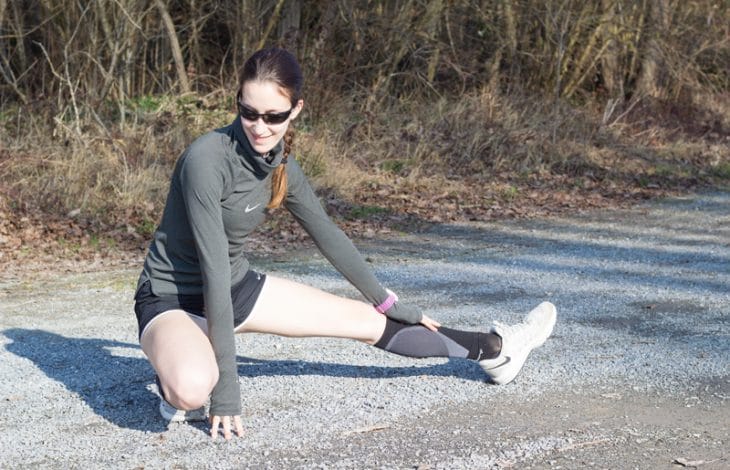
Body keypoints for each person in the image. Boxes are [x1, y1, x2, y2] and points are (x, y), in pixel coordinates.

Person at [133, 47, 557, 440]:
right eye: (249, 112)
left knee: (368, 323)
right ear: (237, 104)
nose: (260, 127)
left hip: (235, 290)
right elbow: (212, 270)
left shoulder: (282, 167)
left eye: (274, 116)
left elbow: (328, 235)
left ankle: (497, 348)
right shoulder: (206, 159)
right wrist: (226, 390)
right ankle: (179, 370)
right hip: (172, 298)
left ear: (295, 110)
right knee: (192, 388)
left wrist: (387, 302)